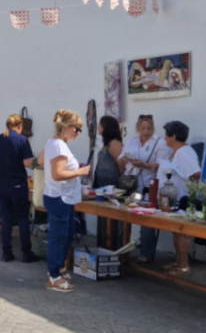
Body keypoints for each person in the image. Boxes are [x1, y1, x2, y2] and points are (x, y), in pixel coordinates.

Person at [42, 110, 91, 293]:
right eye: (77, 129)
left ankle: (58, 270)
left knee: (65, 235)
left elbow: (41, 160)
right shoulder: (59, 146)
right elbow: (57, 174)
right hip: (60, 197)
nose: (78, 133)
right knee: (59, 237)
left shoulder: (53, 143)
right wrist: (80, 172)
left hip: (61, 197)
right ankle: (54, 277)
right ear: (67, 127)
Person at [118, 115, 169, 263]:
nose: (146, 131)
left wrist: (144, 165)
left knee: (146, 220)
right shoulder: (132, 141)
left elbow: (162, 165)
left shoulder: (160, 143)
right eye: (143, 128)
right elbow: (120, 158)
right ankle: (122, 249)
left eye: (149, 128)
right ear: (138, 129)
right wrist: (124, 159)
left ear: (153, 128)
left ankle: (146, 253)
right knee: (124, 215)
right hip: (131, 184)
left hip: (147, 185)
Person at [0, 114, 38, 264]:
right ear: (20, 125)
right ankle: (26, 252)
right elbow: (28, 163)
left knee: (6, 218)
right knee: (23, 218)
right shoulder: (22, 139)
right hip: (17, 184)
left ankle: (7, 252)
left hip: (0, 184)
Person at [157, 121, 202, 275]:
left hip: (182, 198)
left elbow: (196, 174)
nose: (164, 138)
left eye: (166, 135)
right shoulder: (175, 151)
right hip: (170, 199)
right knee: (176, 232)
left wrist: (190, 196)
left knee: (182, 232)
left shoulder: (184, 152)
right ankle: (178, 261)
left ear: (173, 136)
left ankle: (184, 265)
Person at [92, 116, 124, 248]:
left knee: (112, 219)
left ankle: (113, 247)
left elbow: (121, 164)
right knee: (103, 218)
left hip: (112, 188)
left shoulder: (115, 143)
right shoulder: (106, 143)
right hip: (102, 188)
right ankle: (102, 245)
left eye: (100, 125)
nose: (98, 128)